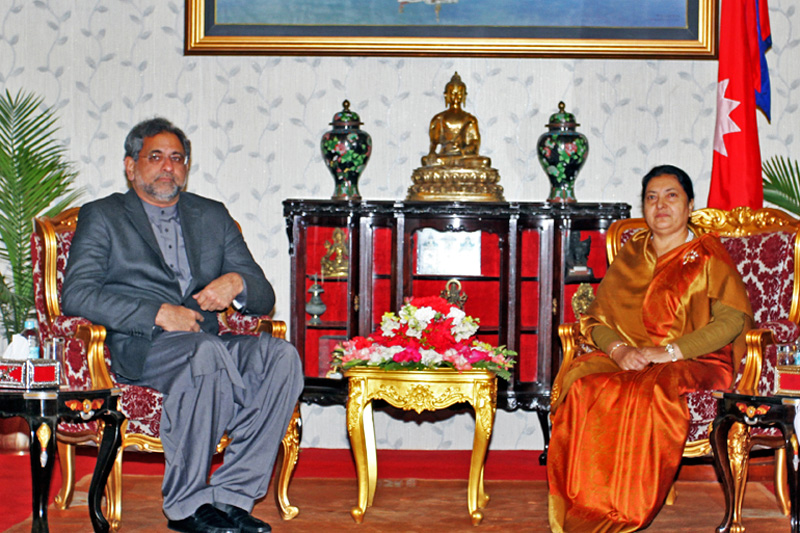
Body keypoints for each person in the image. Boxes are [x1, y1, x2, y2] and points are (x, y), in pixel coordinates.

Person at [62, 117, 304, 533]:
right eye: (155, 157)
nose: (167, 166)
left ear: (186, 167)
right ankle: (186, 505)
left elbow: (263, 296)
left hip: (205, 341)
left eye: (177, 158)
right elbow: (77, 294)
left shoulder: (212, 215)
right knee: (205, 353)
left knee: (280, 356)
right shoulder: (102, 216)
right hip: (142, 344)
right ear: (130, 165)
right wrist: (156, 313)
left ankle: (231, 498)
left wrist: (237, 282)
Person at [547, 165, 754, 533]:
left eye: (671, 196)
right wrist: (619, 352)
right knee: (581, 388)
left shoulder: (709, 256)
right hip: (632, 355)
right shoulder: (631, 254)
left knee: (652, 389)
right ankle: (584, 503)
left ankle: (625, 508)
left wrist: (672, 351)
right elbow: (596, 319)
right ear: (643, 207)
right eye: (651, 197)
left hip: (697, 359)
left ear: (690, 205)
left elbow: (730, 322)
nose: (661, 205)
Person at [421, 71, 492, 169]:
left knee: (485, 162)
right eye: (452, 93)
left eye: (459, 93)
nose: (455, 97)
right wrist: (432, 153)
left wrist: (464, 150)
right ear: (447, 95)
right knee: (426, 161)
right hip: (445, 156)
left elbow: (474, 143)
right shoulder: (439, 118)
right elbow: (434, 142)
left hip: (463, 157)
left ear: (464, 96)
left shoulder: (469, 119)